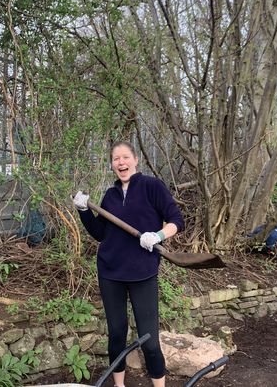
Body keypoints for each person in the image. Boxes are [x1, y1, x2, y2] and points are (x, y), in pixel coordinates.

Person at [73, 140, 184, 387]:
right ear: (112, 164)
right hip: (110, 273)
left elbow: (176, 220)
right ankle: (120, 385)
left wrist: (158, 235)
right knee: (116, 336)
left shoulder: (151, 187)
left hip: (143, 273)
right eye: (116, 159)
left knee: (150, 341)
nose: (121, 162)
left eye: (125, 157)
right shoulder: (110, 196)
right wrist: (83, 212)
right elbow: (101, 233)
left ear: (135, 160)